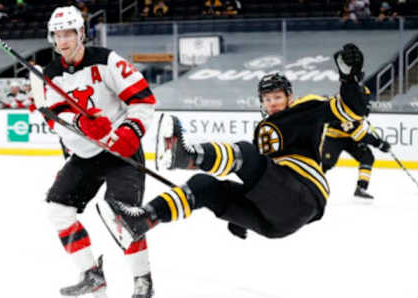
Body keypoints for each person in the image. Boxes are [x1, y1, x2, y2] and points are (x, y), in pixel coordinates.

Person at [98, 43, 369, 252]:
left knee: (247, 155)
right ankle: (142, 220)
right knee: (203, 186)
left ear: (290, 97)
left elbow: (353, 110)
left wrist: (350, 79)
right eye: (267, 99)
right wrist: (238, 216)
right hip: (275, 222)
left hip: (304, 194)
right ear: (261, 102)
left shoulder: (307, 108)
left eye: (278, 97)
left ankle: (186, 155)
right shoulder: (262, 132)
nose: (273, 103)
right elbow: (258, 177)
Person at [43, 6, 156, 298]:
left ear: (81, 33)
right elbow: (54, 117)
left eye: (68, 33)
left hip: (120, 150)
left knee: (122, 214)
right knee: (58, 209)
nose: (63, 40)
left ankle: (142, 280)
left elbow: (142, 99)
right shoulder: (52, 73)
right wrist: (81, 123)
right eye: (57, 34)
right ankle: (91, 275)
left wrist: (129, 132)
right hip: (84, 154)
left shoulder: (106, 60)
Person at [321, 91, 391, 198]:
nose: (366, 103)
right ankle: (309, 184)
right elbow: (359, 135)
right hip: (335, 138)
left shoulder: (355, 104)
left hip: (350, 138)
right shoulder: (343, 109)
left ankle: (361, 188)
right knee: (326, 163)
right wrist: (379, 144)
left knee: (367, 156)